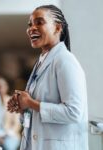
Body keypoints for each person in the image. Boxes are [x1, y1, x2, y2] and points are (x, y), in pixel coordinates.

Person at [7, 5, 88, 150]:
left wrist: (31, 103)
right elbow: (36, 115)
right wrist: (22, 106)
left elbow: (74, 112)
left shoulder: (65, 60)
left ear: (57, 28)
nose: (31, 28)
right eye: (30, 24)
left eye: (39, 22)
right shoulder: (41, 62)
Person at [0, 76, 21, 150]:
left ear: (6, 87)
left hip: (10, 134)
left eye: (1, 86)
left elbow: (17, 124)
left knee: (7, 146)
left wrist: (6, 134)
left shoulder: (12, 101)